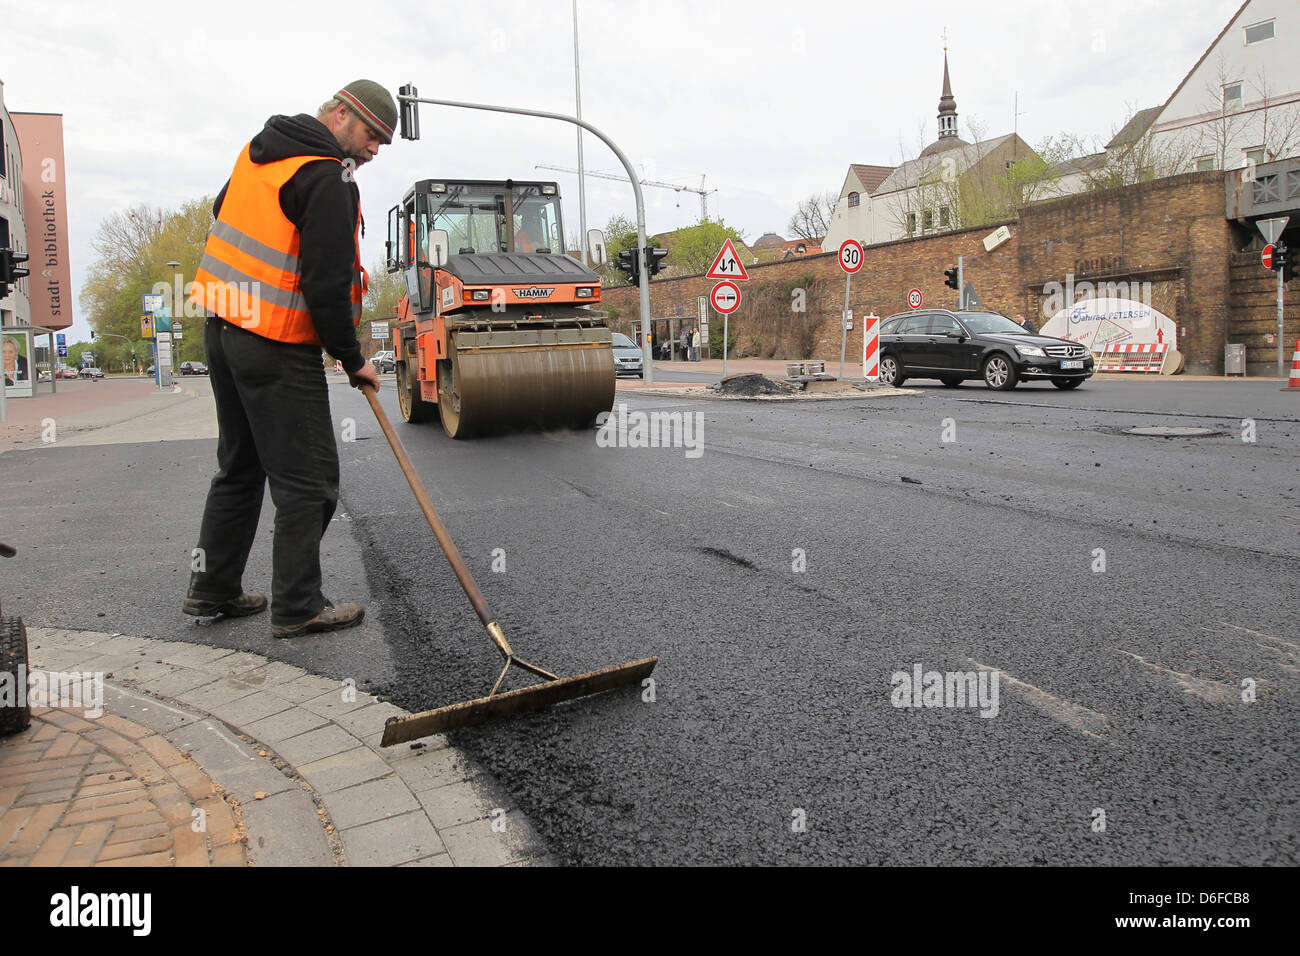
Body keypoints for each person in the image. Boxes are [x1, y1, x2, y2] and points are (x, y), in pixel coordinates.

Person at [183, 81, 395, 638]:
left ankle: (213, 588)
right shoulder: (327, 177)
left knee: (240, 467)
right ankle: (298, 605)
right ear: (342, 113)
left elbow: (223, 210)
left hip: (222, 332)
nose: (375, 149)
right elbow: (325, 285)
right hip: (276, 342)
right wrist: (353, 360)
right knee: (310, 481)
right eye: (372, 134)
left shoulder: (260, 153)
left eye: (383, 143)